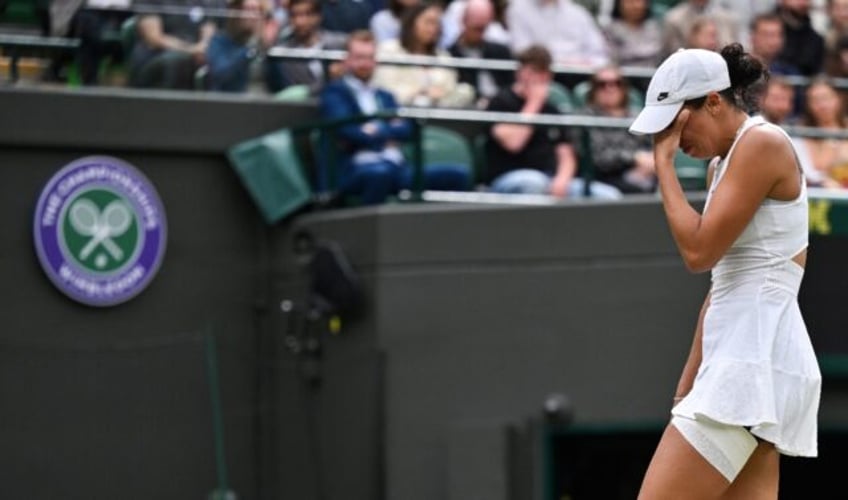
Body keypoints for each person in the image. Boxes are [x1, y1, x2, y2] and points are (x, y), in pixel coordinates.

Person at [629, 44, 820, 498]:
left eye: (678, 123)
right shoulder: (722, 164)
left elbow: (698, 253)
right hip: (750, 360)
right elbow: (723, 286)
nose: (674, 138)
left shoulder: (762, 143)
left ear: (714, 101)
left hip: (750, 361)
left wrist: (663, 166)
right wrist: (688, 381)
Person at [319, 30, 471, 204]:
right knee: (379, 174)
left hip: (395, 166)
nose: (365, 63)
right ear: (346, 60)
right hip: (356, 169)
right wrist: (387, 131)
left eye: (369, 57)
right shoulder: (335, 93)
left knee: (457, 175)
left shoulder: (385, 95)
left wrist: (376, 130)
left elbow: (406, 129)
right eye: (359, 57)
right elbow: (349, 131)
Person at [484, 45, 622, 199]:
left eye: (542, 73)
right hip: (509, 177)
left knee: (608, 195)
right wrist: (534, 103)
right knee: (534, 182)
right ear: (519, 72)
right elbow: (514, 143)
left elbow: (565, 153)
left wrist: (562, 179)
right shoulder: (500, 102)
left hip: (551, 178)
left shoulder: (552, 109)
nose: (535, 78)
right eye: (530, 71)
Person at [371, 3, 475, 107]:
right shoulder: (389, 50)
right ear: (411, 23)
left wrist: (440, 96)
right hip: (400, 114)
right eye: (428, 22)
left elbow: (451, 90)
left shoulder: (443, 56)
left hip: (439, 114)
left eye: (436, 24)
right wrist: (421, 92)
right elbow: (384, 88)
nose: (433, 29)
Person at [583, 66, 656, 193]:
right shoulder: (586, 117)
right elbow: (599, 159)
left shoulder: (637, 116)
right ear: (593, 89)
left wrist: (650, 162)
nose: (610, 89)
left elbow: (651, 147)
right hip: (603, 179)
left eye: (616, 83)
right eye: (602, 84)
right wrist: (634, 158)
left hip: (643, 174)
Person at [128, 0, 226, 89]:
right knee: (176, 63)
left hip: (198, 56)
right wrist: (192, 50)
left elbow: (210, 27)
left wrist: (204, 45)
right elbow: (154, 39)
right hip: (156, 56)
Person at [264, 0, 347, 94]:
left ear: (318, 16)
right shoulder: (282, 53)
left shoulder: (340, 44)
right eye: (294, 15)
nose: (300, 22)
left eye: (307, 14)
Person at [447, 0, 513, 108]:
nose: (480, 34)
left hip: (501, 109)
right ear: (463, 21)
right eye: (476, 28)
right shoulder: (450, 55)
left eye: (484, 29)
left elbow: (511, 87)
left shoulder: (501, 52)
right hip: (467, 113)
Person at [506, 0, 610, 68]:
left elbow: (599, 54)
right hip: (540, 72)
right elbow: (521, 50)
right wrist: (562, 62)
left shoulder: (578, 13)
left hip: (580, 73)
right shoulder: (518, 9)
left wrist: (585, 64)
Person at [792, 78, 848, 188]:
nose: (822, 105)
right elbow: (818, 168)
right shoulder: (802, 132)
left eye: (826, 98)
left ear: (838, 99)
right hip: (817, 191)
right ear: (808, 105)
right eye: (815, 100)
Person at [204, 0, 269, 92]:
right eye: (247, 10)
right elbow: (220, 75)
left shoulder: (265, 46)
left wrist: (264, 43)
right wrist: (249, 50)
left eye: (256, 11)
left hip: (260, 102)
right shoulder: (219, 42)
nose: (252, 17)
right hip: (229, 101)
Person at [603, 0, 662, 68]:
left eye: (639, 1)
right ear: (619, 4)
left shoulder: (654, 27)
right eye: (630, 1)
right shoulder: (611, 29)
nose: (636, 6)